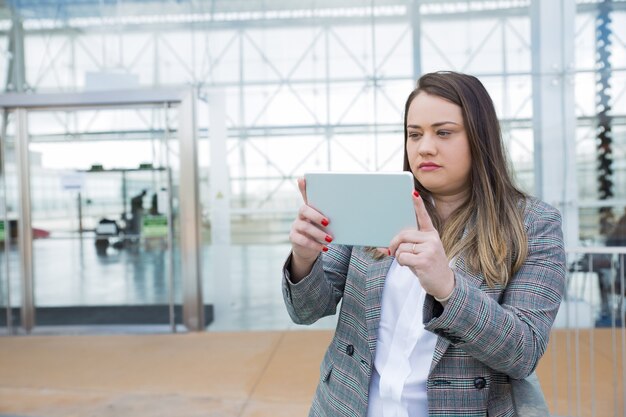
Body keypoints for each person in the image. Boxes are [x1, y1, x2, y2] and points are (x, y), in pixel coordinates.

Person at [282, 71, 566, 416]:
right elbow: (306, 310)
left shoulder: (532, 224)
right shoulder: (374, 201)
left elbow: (523, 352)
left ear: (480, 137)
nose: (424, 146)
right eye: (414, 134)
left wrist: (448, 287)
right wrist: (304, 259)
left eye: (444, 132)